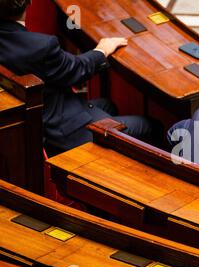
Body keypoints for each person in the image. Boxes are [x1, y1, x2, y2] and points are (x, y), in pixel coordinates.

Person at [0, 0, 155, 156]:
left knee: (107, 105)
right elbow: (76, 70)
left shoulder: (27, 44)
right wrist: (101, 51)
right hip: (61, 131)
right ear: (29, 3)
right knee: (150, 125)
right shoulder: (40, 46)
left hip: (40, 116)